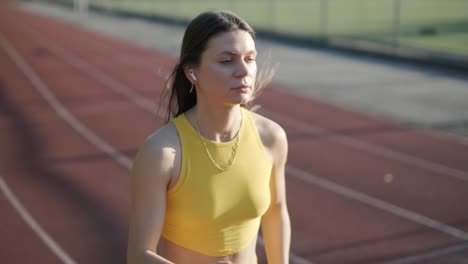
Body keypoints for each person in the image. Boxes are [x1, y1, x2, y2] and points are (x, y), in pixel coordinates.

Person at [127, 10, 290, 264]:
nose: (243, 70)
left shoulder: (271, 138)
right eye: (227, 61)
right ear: (192, 72)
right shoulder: (162, 153)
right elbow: (139, 256)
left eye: (250, 58)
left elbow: (276, 212)